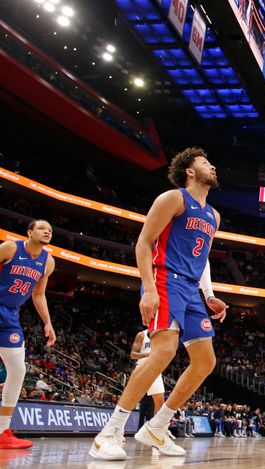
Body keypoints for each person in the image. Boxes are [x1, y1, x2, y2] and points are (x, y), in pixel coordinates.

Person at [89, 148, 229, 460]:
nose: (213, 165)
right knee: (164, 350)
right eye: (206, 162)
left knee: (206, 362)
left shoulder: (213, 215)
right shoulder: (173, 199)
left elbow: (202, 258)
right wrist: (149, 289)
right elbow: (143, 242)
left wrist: (209, 295)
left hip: (192, 288)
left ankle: (157, 425)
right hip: (165, 279)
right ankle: (108, 433)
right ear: (190, 171)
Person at [0, 220, 57, 449]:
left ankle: (3, 430)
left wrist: (48, 323)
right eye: (42, 228)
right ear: (30, 232)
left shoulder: (48, 262)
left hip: (10, 317)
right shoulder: (11, 248)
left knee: (18, 369)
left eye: (50, 230)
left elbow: (39, 294)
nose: (47, 232)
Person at [130, 329, 166, 429]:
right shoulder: (142, 335)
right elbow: (133, 355)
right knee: (130, 400)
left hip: (156, 370)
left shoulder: (162, 335)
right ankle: (117, 431)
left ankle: (156, 431)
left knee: (160, 403)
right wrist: (149, 355)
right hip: (143, 367)